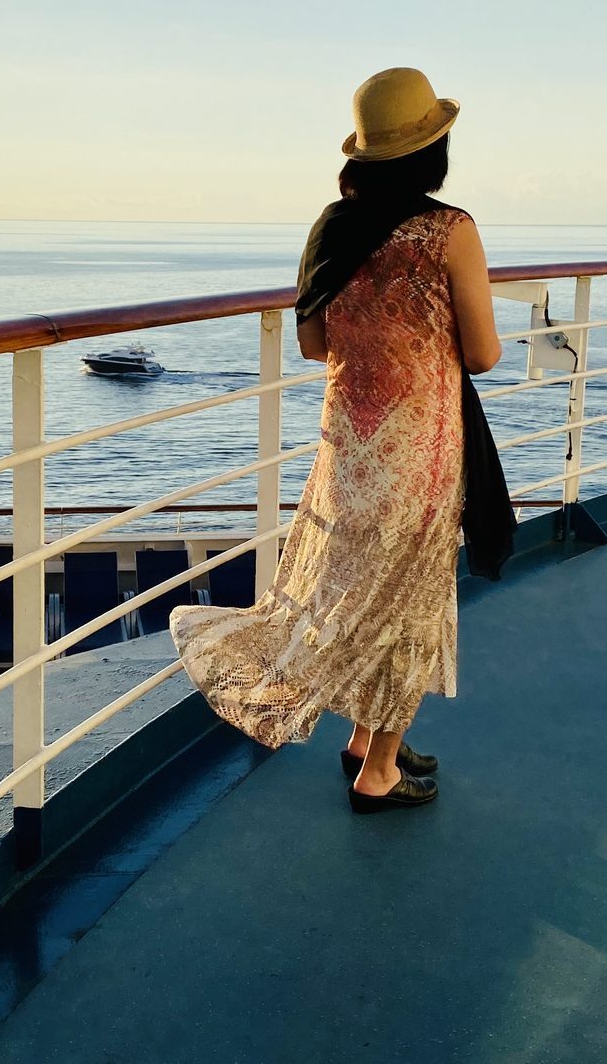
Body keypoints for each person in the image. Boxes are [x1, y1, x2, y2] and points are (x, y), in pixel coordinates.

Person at [170, 67, 501, 814]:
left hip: (348, 447)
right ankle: (379, 772)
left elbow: (315, 343)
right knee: (407, 603)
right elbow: (481, 353)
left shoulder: (331, 227)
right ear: (432, 150)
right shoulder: (451, 231)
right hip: (419, 453)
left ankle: (364, 737)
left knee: (354, 592)